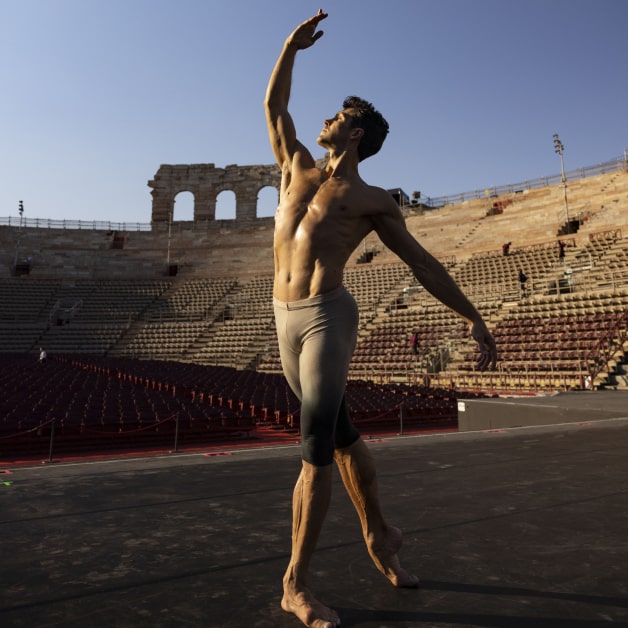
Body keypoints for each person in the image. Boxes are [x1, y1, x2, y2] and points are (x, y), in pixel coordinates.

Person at [265, 10, 497, 628]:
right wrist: (290, 47)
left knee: (315, 448)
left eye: (339, 117)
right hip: (282, 316)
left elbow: (422, 263)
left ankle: (294, 584)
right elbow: (273, 106)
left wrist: (472, 316)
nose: (326, 120)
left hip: (325, 319)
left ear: (358, 135)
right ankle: (380, 536)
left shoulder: (372, 200)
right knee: (342, 435)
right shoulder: (293, 167)